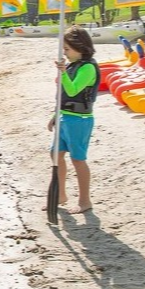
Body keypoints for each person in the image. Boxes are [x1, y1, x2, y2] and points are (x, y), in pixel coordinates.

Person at [47, 26, 100, 214]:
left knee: (78, 159)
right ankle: (61, 194)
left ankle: (85, 201)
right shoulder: (71, 66)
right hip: (65, 117)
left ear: (81, 47)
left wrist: (62, 73)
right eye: (64, 50)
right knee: (55, 154)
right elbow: (62, 95)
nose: (65, 54)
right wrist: (55, 115)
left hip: (80, 120)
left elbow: (72, 90)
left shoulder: (88, 68)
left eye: (68, 50)